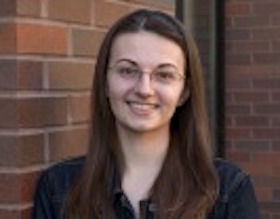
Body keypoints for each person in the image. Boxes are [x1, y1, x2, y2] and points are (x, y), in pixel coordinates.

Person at [32, 9, 260, 219]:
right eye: (128, 71)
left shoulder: (228, 190)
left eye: (164, 75)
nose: (144, 89)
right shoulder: (58, 188)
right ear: (105, 83)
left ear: (184, 92)